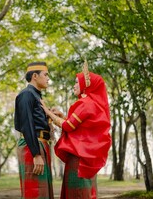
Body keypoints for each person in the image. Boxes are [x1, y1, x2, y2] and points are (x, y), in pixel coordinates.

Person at [41, 61, 111, 199]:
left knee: (76, 194)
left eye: (76, 82)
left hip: (78, 159)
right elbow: (80, 127)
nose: (74, 85)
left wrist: (47, 112)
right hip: (85, 157)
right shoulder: (93, 104)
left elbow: (68, 126)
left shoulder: (86, 104)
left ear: (86, 85)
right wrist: (60, 115)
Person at [14, 61, 54, 199]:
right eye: (46, 74)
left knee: (44, 192)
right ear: (35, 76)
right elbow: (27, 125)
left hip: (40, 144)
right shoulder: (26, 94)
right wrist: (36, 154)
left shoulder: (36, 95)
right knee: (35, 192)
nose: (48, 78)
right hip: (32, 147)